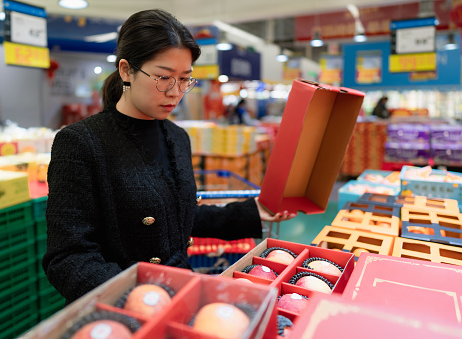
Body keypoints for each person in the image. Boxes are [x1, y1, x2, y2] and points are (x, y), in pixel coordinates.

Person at [43, 9, 295, 306]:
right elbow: (68, 256)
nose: (175, 92)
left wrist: (252, 210)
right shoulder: (81, 143)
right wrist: (137, 297)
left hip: (181, 294)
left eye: (185, 79)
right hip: (127, 308)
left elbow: (176, 217)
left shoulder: (177, 137)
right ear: (126, 70)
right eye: (163, 78)